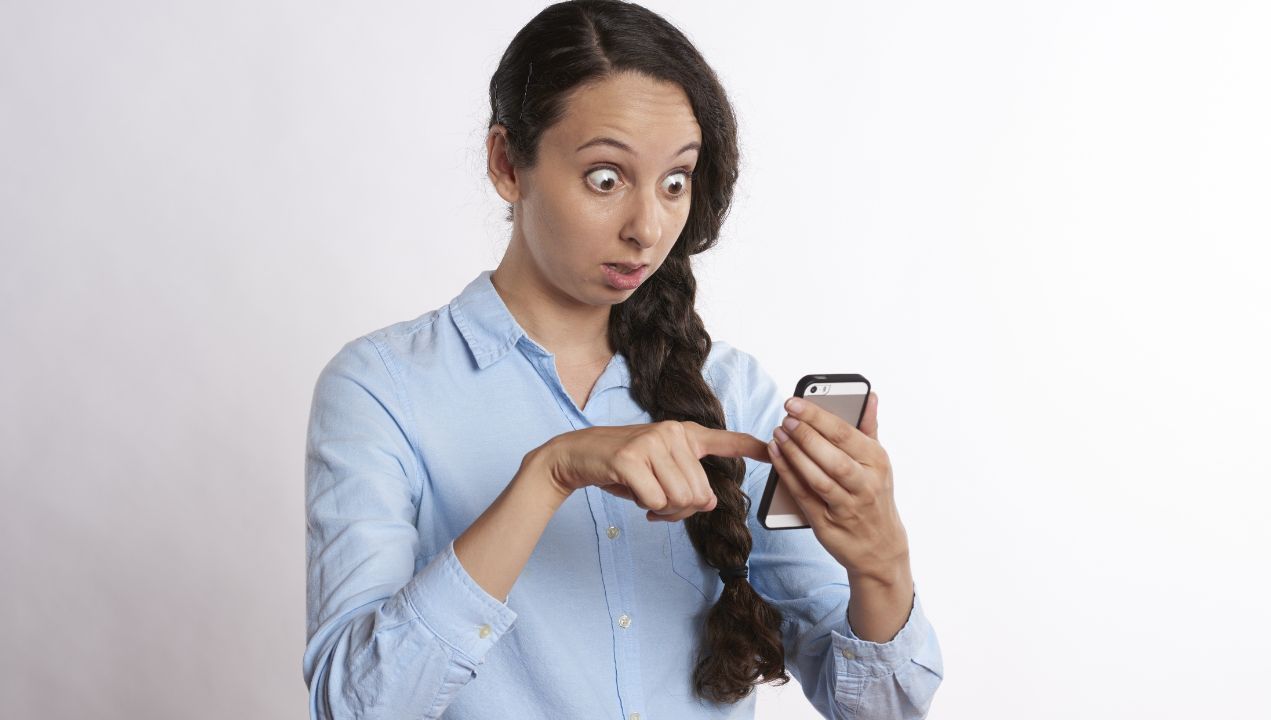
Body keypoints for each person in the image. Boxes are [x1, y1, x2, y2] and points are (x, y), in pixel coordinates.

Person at [302, 1, 943, 718]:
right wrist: (549, 474)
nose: (648, 227)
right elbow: (355, 705)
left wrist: (881, 565)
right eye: (606, 178)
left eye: (675, 182)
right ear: (507, 164)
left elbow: (881, 709)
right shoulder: (384, 389)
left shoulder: (730, 389)